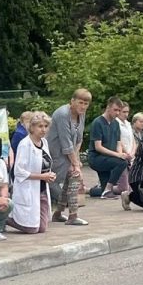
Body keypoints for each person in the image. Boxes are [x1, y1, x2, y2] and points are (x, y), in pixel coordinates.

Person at [9, 110, 56, 233]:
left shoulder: (44, 142)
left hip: (42, 188)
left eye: (46, 126)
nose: (43, 130)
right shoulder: (25, 144)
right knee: (32, 229)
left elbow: (45, 163)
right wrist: (41, 176)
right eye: (40, 126)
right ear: (32, 127)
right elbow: (19, 171)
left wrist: (50, 175)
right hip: (28, 188)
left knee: (42, 228)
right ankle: (7, 218)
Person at [49, 89, 90, 226]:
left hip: (68, 154)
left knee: (72, 177)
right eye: (80, 102)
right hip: (55, 153)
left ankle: (61, 213)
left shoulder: (81, 114)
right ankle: (71, 215)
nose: (83, 106)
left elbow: (79, 139)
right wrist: (76, 164)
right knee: (69, 177)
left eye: (86, 104)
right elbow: (65, 142)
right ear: (72, 101)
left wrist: (75, 161)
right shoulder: (62, 114)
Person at [87, 96, 128, 199]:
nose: (117, 113)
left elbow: (118, 143)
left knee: (103, 190)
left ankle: (88, 190)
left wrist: (120, 154)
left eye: (119, 110)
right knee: (122, 163)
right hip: (96, 158)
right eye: (115, 110)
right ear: (108, 108)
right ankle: (108, 189)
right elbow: (98, 147)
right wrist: (118, 155)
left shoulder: (116, 124)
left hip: (108, 158)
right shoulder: (98, 122)